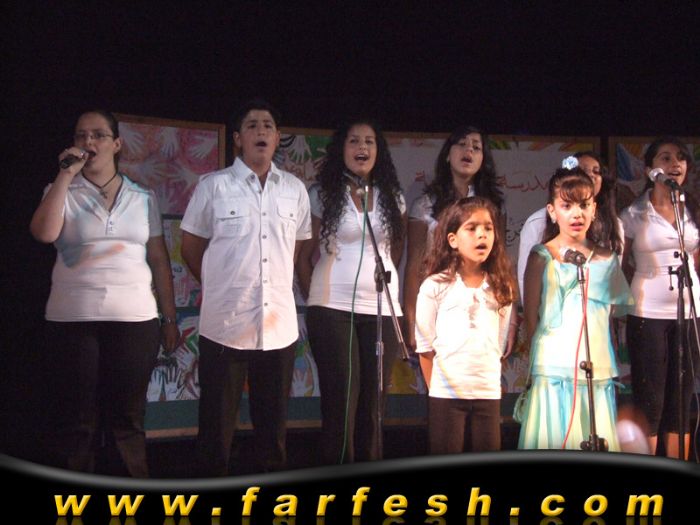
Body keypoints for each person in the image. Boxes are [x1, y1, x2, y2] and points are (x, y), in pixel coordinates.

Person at [29, 109, 179, 477]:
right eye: (81, 135)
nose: (88, 142)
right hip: (72, 319)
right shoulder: (60, 190)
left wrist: (170, 318)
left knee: (128, 416)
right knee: (77, 418)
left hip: (135, 319)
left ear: (116, 144)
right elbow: (44, 233)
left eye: (98, 135)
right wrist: (66, 175)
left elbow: (160, 261)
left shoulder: (143, 197)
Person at [180, 99, 312, 476]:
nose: (261, 131)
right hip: (225, 325)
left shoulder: (295, 190)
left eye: (268, 125)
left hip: (278, 328)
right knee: (216, 430)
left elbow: (296, 250)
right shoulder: (213, 186)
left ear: (278, 137)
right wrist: (222, 286)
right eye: (252, 125)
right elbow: (190, 248)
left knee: (273, 431)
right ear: (238, 138)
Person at [296, 118, 406, 464]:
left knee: (373, 405)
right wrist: (316, 298)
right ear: (341, 149)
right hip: (332, 309)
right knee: (341, 401)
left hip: (381, 310)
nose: (362, 148)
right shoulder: (322, 195)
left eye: (369, 142)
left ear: (378, 150)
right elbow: (303, 257)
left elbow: (395, 250)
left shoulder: (393, 197)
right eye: (354, 141)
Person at [517, 167, 633, 451]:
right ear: (552, 211)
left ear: (594, 209)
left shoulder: (606, 258)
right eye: (567, 206)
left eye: (583, 205)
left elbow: (611, 315)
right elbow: (530, 317)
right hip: (553, 367)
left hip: (596, 365)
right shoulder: (541, 256)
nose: (576, 214)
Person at [415, 196, 517, 453]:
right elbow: (425, 347)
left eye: (488, 228)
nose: (481, 235)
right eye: (471, 228)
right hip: (446, 395)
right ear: (453, 239)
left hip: (487, 393)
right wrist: (438, 389)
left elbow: (498, 343)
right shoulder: (434, 286)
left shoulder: (501, 287)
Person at [620, 136, 699, 459]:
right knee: (651, 400)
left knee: (681, 402)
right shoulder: (633, 213)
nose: (674, 164)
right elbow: (620, 265)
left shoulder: (692, 210)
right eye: (665, 158)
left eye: (680, 158)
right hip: (647, 312)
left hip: (690, 312)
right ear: (649, 170)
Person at [404, 126, 505, 357]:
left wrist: (505, 320)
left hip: (481, 303)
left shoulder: (493, 206)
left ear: (483, 159)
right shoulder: (425, 205)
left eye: (476, 147)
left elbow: (498, 261)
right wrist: (411, 318)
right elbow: (413, 266)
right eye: (462, 144)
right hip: (437, 304)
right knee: (438, 373)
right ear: (448, 155)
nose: (468, 150)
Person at [517, 151, 624, 299]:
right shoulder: (536, 223)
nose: (591, 175)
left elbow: (613, 286)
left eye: (596, 171)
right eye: (584, 170)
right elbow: (526, 282)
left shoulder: (613, 225)